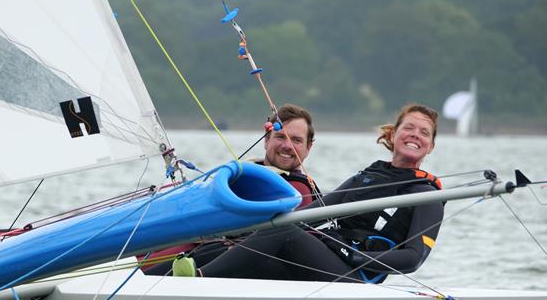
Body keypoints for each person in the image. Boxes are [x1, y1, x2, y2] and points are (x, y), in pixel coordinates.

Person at [177, 103, 443, 283]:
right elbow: (307, 217)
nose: (415, 135)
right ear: (394, 134)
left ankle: (195, 283)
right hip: (329, 261)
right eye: (409, 128)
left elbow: (412, 259)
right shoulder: (366, 177)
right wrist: (245, 236)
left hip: (356, 274)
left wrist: (355, 255)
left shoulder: (426, 195)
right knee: (229, 250)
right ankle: (154, 280)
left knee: (286, 233)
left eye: (424, 133)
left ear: (430, 146)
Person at [143, 103, 322, 276]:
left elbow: (281, 246)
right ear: (266, 140)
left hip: (229, 260)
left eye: (297, 140)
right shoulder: (245, 171)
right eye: (280, 137)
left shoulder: (299, 190)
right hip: (188, 242)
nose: (287, 146)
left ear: (308, 147)